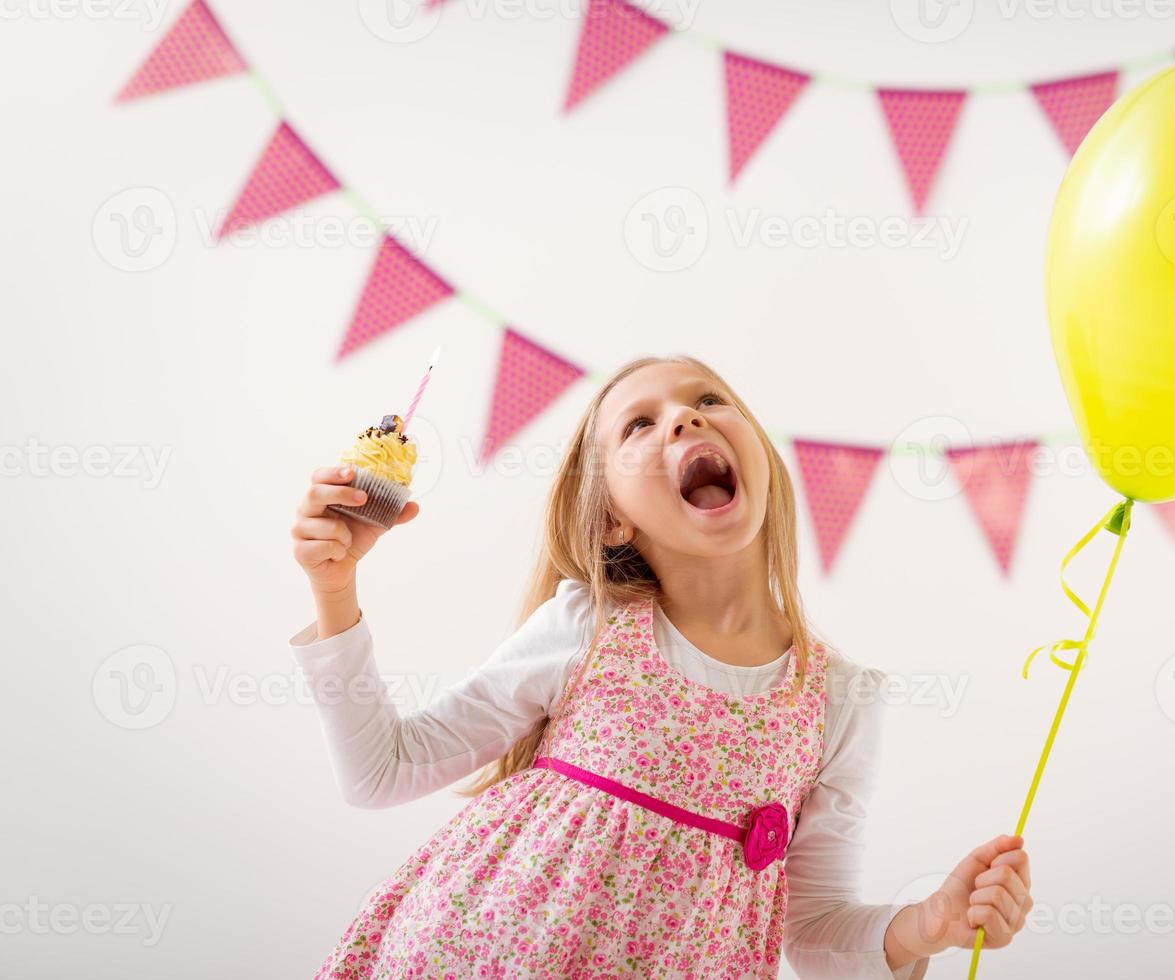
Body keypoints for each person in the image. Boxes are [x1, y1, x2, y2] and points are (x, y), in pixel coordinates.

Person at [288, 354, 1033, 978]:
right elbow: (379, 772)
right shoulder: (588, 627)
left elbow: (812, 934)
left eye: (709, 399)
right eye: (639, 424)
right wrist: (334, 589)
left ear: (763, 465)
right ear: (614, 515)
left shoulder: (839, 699)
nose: (684, 417)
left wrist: (929, 921)